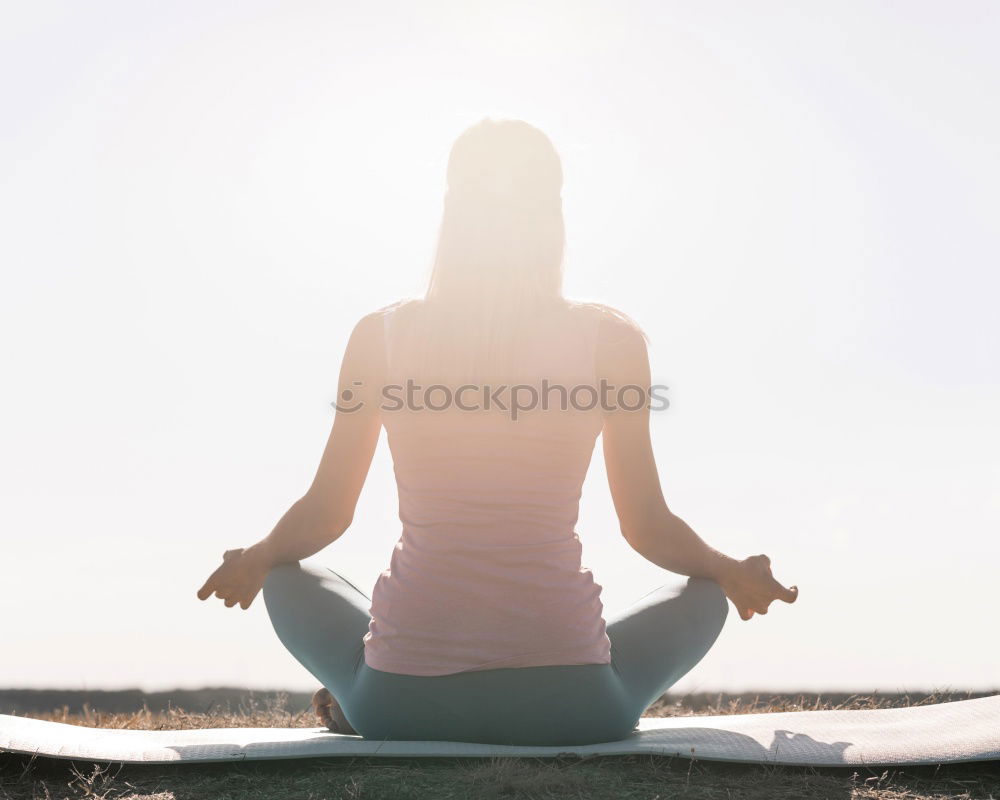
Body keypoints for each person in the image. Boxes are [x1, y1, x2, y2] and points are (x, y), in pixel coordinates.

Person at [197, 118, 798, 746]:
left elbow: (326, 514)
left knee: (288, 577)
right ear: (554, 215)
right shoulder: (611, 342)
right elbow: (646, 527)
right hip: (579, 712)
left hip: (400, 707)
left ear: (452, 212)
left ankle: (355, 695)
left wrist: (259, 557)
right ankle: (570, 669)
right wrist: (728, 569)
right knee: (704, 594)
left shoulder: (380, 337)